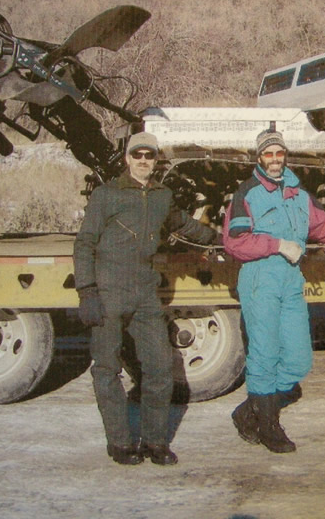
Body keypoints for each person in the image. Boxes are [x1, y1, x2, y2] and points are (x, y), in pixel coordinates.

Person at [223, 128, 325, 453]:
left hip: (291, 280)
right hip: (259, 278)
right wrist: (278, 244)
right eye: (269, 154)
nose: (275, 159)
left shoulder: (296, 193)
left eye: (280, 153)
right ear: (259, 157)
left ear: (286, 156)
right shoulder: (247, 193)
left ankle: (247, 410)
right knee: (264, 354)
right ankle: (268, 426)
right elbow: (235, 242)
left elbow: (324, 224)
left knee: (297, 359)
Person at [73, 131, 217, 466]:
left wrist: (220, 237)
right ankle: (120, 443)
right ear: (127, 158)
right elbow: (84, 244)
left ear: (155, 161)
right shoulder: (107, 195)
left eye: (148, 156)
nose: (142, 161)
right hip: (109, 291)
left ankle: (155, 442)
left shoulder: (162, 195)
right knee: (107, 369)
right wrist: (88, 291)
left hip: (146, 293)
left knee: (159, 368)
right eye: (136, 155)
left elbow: (182, 224)